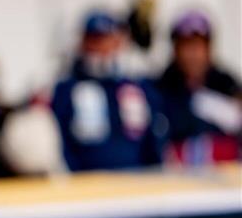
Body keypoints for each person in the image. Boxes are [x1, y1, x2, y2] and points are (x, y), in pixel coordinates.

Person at [51, 10, 163, 171]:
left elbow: (153, 140)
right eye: (94, 40)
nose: (101, 47)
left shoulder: (137, 87)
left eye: (106, 39)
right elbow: (62, 142)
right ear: (83, 42)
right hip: (89, 185)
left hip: (137, 183)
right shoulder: (67, 89)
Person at [154, 10, 241, 165]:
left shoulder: (227, 85)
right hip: (177, 179)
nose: (193, 55)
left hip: (226, 179)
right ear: (175, 50)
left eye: (198, 46)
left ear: (208, 49)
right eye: (186, 47)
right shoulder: (161, 89)